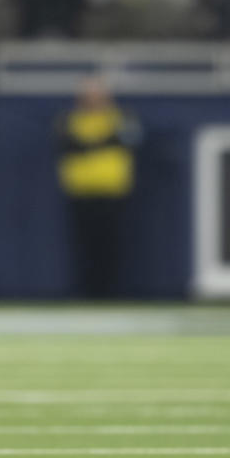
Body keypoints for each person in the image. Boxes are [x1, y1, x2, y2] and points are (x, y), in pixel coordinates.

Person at [55, 77, 140, 298]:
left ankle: (112, 292)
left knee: (112, 245)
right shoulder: (70, 120)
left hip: (112, 192)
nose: (93, 100)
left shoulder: (121, 118)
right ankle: (85, 292)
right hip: (81, 193)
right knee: (84, 246)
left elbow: (129, 139)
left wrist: (91, 145)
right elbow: (67, 144)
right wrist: (103, 142)